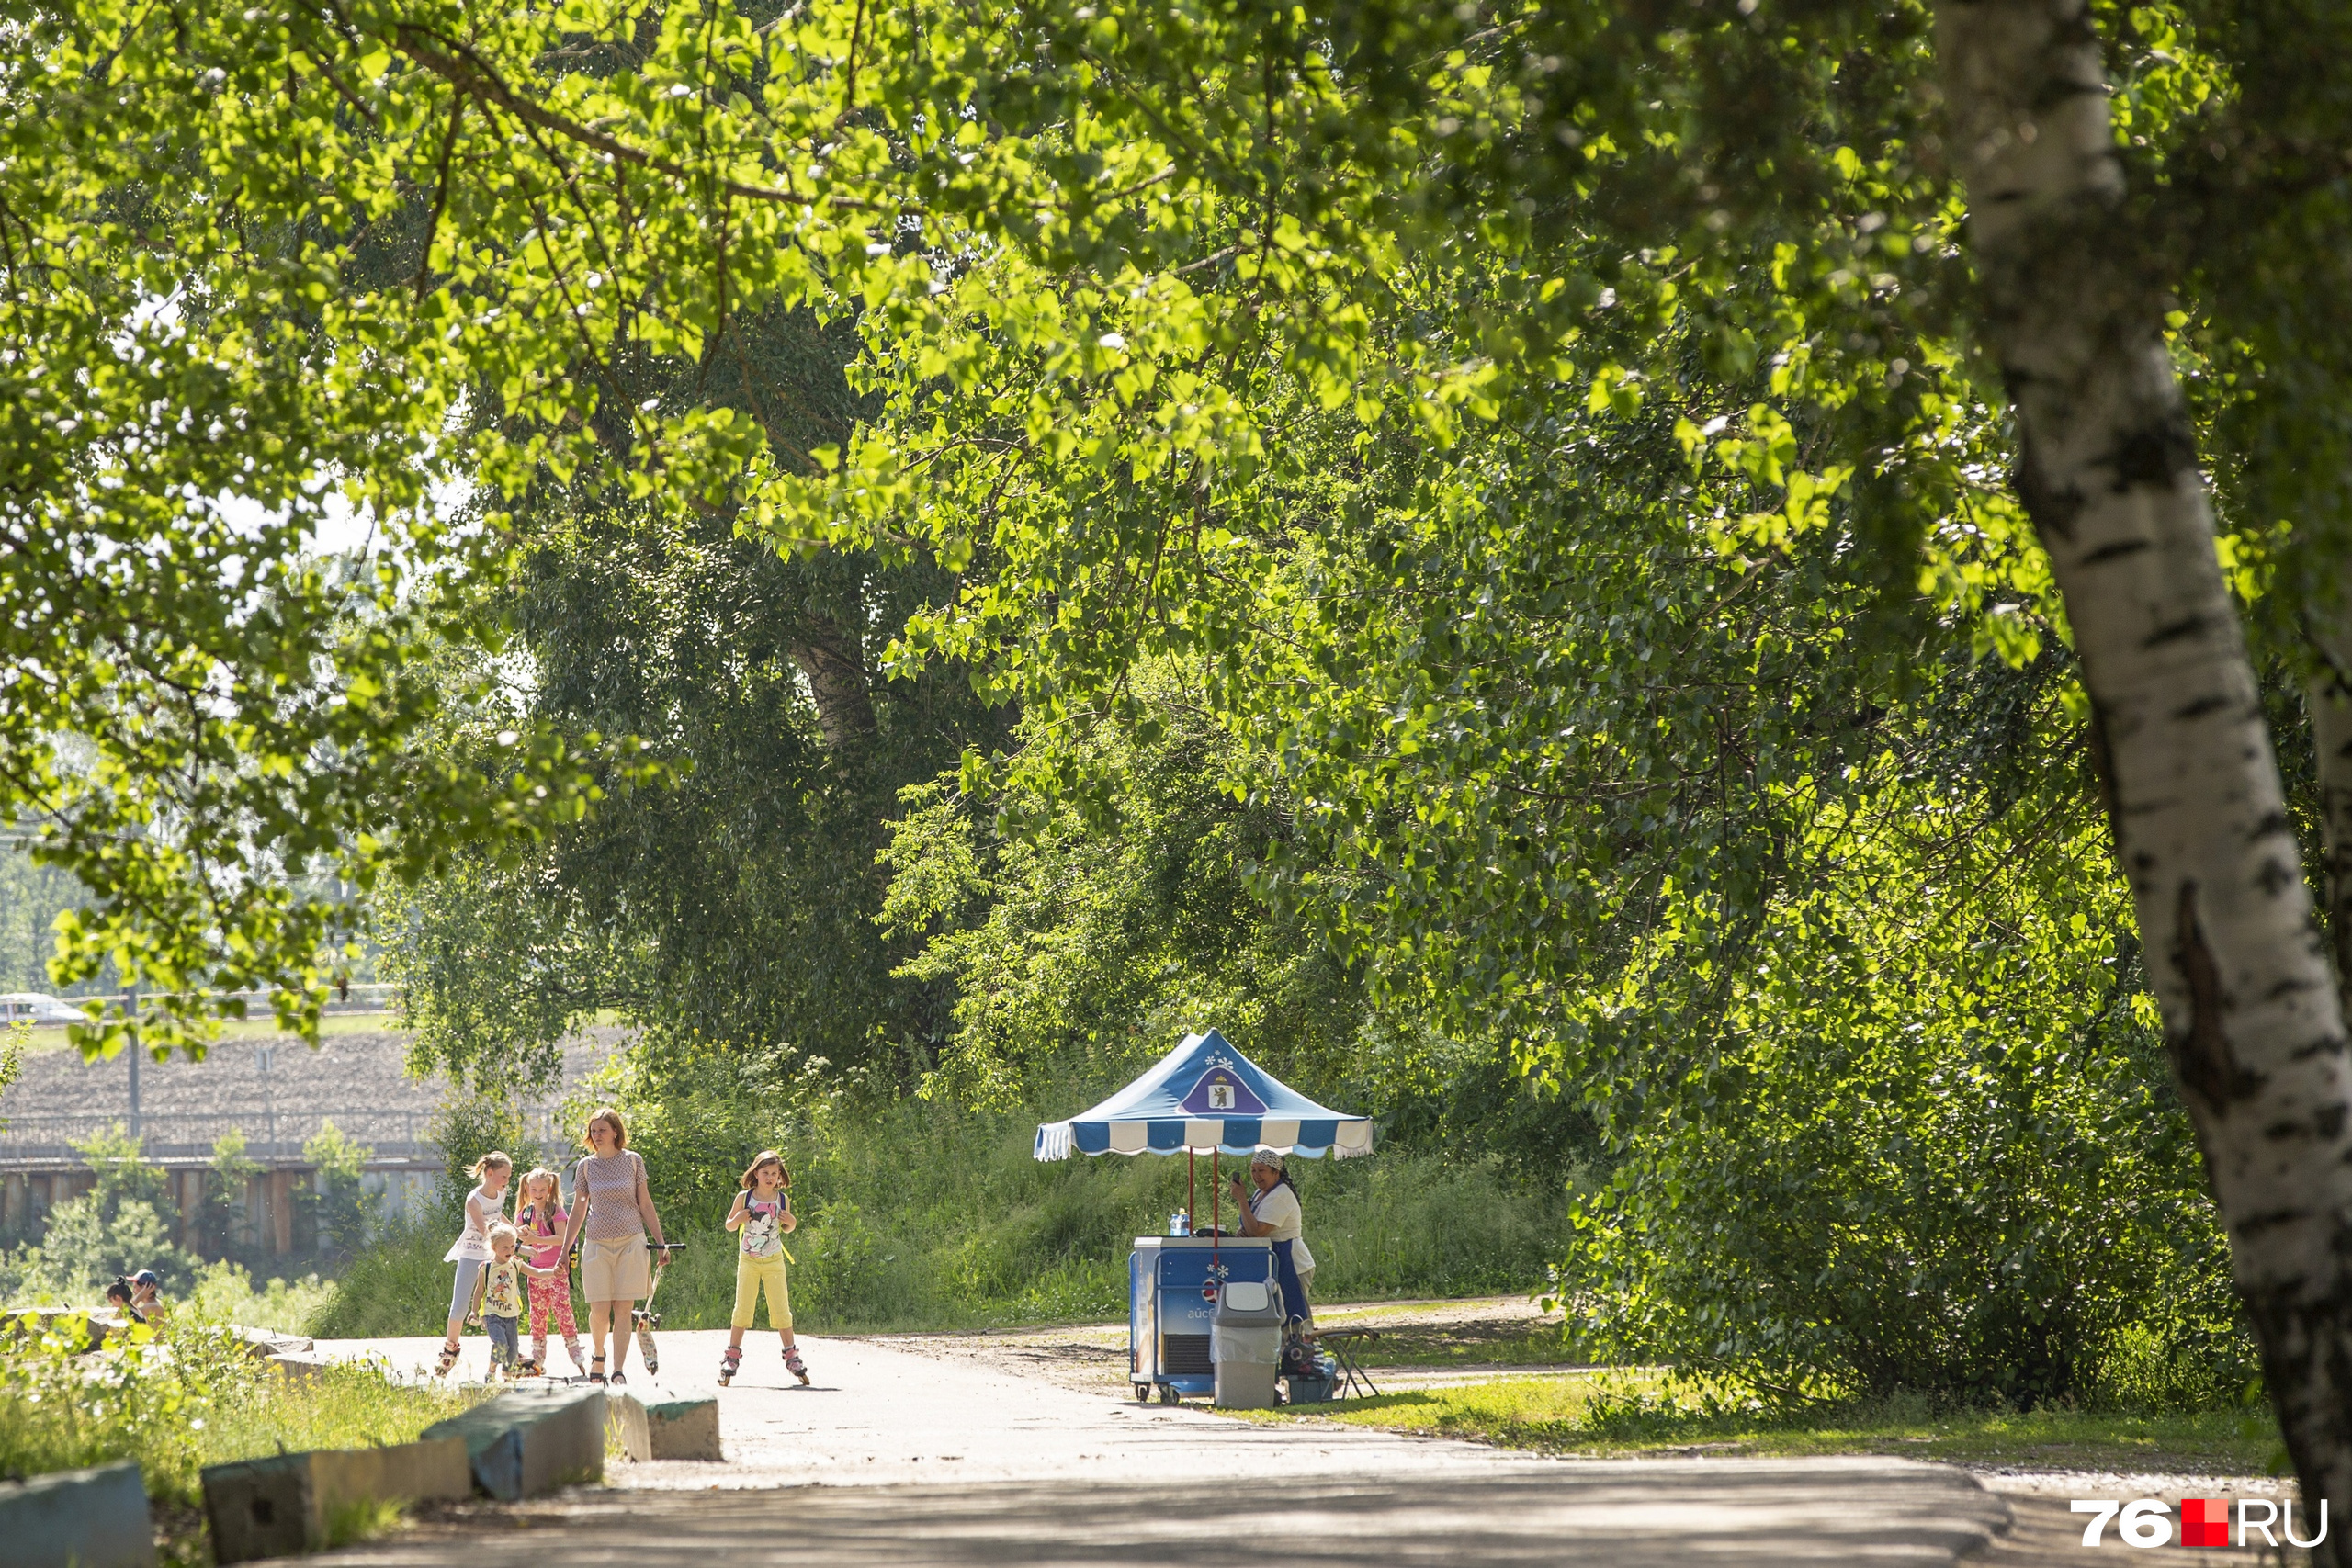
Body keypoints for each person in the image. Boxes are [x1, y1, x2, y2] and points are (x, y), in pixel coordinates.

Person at [556, 1107, 669, 1386]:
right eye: (593, 1131)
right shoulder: (586, 1167)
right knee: (599, 1309)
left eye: (602, 1130)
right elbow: (578, 1211)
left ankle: (618, 1369)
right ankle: (598, 1354)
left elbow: (645, 1203)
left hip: (632, 1241)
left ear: (616, 1131)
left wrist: (660, 1242)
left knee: (623, 1309)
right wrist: (564, 1250)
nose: (597, 1135)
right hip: (597, 1244)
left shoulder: (633, 1161)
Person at [720, 1149, 807, 1386]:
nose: (770, 1177)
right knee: (743, 1307)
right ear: (755, 1173)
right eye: (765, 1172)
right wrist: (739, 1217)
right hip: (749, 1259)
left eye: (775, 1173)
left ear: (780, 1176)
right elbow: (729, 1225)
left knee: (781, 1306)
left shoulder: (781, 1199)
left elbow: (788, 1227)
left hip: (773, 1260)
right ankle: (732, 1355)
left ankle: (791, 1355)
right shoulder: (744, 1197)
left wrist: (791, 1222)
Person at [436, 1151, 513, 1377]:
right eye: (504, 1176)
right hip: (472, 1254)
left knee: (502, 1301)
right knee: (460, 1305)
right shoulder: (474, 1200)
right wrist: (514, 1245)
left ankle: (511, 1349)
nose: (507, 1181)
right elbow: (486, 1230)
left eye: (508, 1177)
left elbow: (498, 1217)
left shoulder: (501, 1192)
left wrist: (516, 1231)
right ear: (489, 1174)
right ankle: (450, 1349)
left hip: (493, 1254)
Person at [1228, 1145, 1315, 1327]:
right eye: (1253, 1170)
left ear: (1276, 1172)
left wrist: (1241, 1199)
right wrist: (1242, 1231)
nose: (1256, 1176)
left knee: (1295, 1315)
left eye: (1262, 1171)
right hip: (1274, 1259)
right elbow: (1251, 1225)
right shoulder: (1261, 1193)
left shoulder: (1280, 1195)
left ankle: (1305, 1353)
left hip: (1291, 1261)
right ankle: (1287, 1352)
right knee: (1279, 1313)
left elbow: (1258, 1230)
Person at [514, 1168, 584, 1376]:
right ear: (527, 1188)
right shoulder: (526, 1213)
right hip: (535, 1272)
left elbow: (563, 1238)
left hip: (556, 1269)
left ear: (549, 1188)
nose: (538, 1193)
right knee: (537, 1313)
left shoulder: (555, 1211)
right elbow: (514, 1233)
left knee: (563, 1310)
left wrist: (535, 1239)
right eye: (534, 1189)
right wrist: (520, 1234)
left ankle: (573, 1346)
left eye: (542, 1189)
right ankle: (537, 1355)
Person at [469, 1221, 560, 1380]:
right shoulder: (486, 1267)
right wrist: (474, 1312)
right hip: (492, 1315)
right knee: (500, 1344)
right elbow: (479, 1291)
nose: (510, 1250)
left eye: (512, 1246)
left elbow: (536, 1272)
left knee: (512, 1352)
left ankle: (507, 1377)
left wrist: (554, 1272)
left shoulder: (516, 1263)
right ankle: (490, 1371)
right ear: (494, 1247)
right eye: (505, 1247)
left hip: (511, 1316)